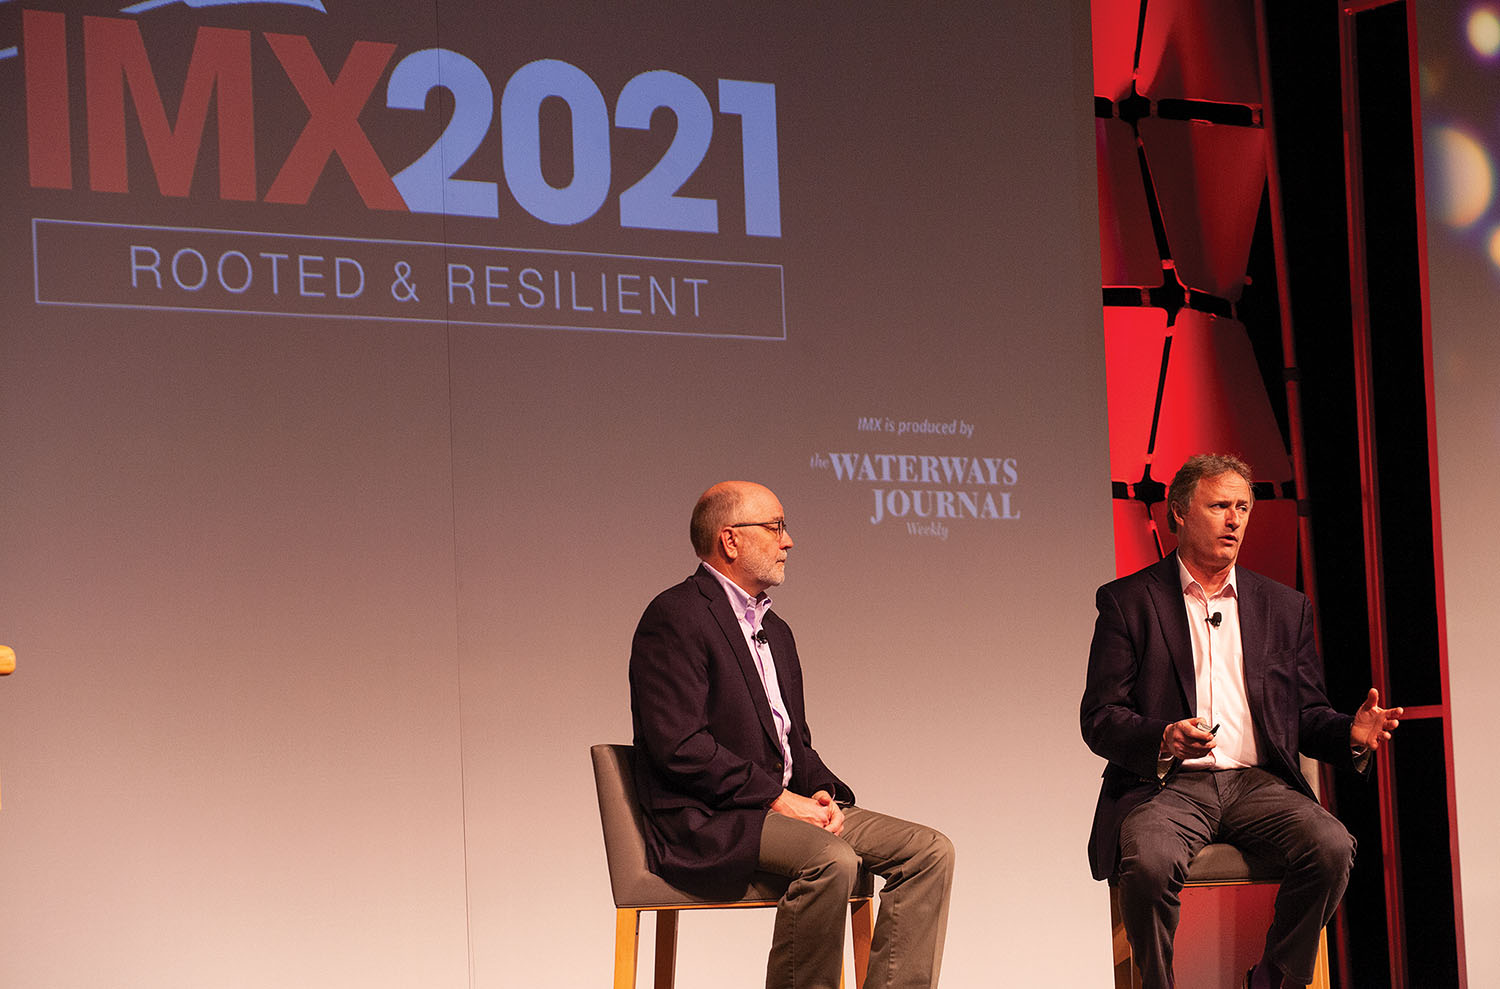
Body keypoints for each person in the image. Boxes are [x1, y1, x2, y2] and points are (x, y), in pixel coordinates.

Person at [1080, 453, 1401, 989]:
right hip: (1166, 787)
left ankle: (1272, 982)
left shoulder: (1283, 606)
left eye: (1243, 508)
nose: (1234, 520)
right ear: (1177, 514)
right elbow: (1100, 717)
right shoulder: (1128, 601)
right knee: (1150, 862)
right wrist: (1161, 737)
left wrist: (1349, 732)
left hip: (1258, 784)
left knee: (1332, 847)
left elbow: (1305, 714)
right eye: (1220, 506)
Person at [630, 480, 955, 989]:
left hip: (782, 804)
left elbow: (793, 741)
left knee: (928, 851)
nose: (789, 541)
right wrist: (781, 800)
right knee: (832, 860)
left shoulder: (775, 631)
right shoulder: (675, 617)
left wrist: (823, 794)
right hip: (710, 816)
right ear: (731, 540)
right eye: (776, 526)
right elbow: (681, 747)